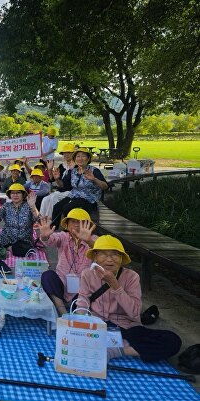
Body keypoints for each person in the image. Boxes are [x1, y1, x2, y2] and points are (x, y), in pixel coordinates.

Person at [77, 235, 181, 363]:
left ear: (121, 258)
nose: (109, 259)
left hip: (125, 327)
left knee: (172, 341)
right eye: (103, 254)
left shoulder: (132, 277)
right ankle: (121, 344)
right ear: (95, 257)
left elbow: (134, 312)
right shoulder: (87, 274)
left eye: (115, 254)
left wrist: (115, 285)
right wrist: (78, 320)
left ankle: (116, 350)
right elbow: (83, 298)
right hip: (96, 325)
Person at [38, 209, 97, 316]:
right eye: (73, 221)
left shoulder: (93, 239)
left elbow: (101, 251)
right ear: (67, 224)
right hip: (62, 283)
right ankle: (62, 312)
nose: (76, 225)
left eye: (81, 222)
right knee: (47, 276)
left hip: (83, 290)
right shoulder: (64, 236)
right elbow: (51, 240)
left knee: (91, 295)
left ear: (88, 225)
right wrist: (45, 236)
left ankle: (77, 313)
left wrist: (88, 241)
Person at [51, 147, 109, 228]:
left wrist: (94, 179)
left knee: (67, 208)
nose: (80, 158)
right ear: (75, 159)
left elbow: (105, 186)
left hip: (89, 199)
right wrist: (57, 179)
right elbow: (63, 185)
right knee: (57, 207)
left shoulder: (94, 170)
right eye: (78, 156)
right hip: (74, 196)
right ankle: (54, 230)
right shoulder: (73, 171)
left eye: (83, 156)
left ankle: (69, 231)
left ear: (88, 158)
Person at [0, 183, 39, 257]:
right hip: (7, 237)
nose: (15, 195)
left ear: (23, 194)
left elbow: (39, 220)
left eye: (18, 192)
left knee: (25, 251)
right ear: (10, 195)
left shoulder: (29, 206)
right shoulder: (6, 206)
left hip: (24, 239)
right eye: (13, 193)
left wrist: (33, 207)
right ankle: (10, 248)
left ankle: (8, 248)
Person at [40, 143, 75, 218]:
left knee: (54, 198)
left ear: (74, 154)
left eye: (69, 152)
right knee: (45, 199)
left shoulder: (77, 166)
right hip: (62, 190)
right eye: (64, 153)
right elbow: (52, 180)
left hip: (72, 191)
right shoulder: (62, 166)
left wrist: (71, 170)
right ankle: (41, 219)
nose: (66, 154)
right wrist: (49, 169)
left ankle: (50, 220)